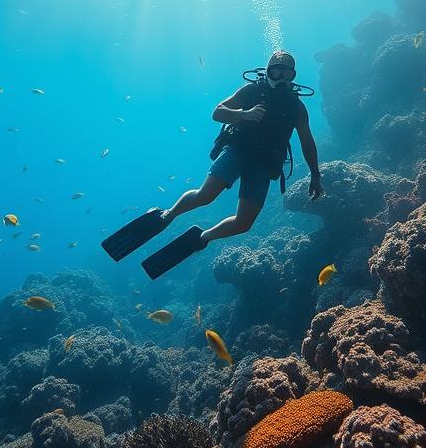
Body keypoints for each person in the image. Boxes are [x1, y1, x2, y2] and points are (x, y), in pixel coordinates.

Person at [102, 50, 323, 279]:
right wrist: (244, 114)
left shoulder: (296, 107)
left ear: (293, 76)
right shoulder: (251, 90)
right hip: (238, 150)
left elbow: (307, 141)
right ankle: (166, 216)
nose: (280, 78)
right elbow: (217, 112)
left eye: (286, 73)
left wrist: (315, 174)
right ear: (266, 71)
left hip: (265, 164)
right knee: (205, 196)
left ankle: (201, 238)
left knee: (244, 223)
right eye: (275, 71)